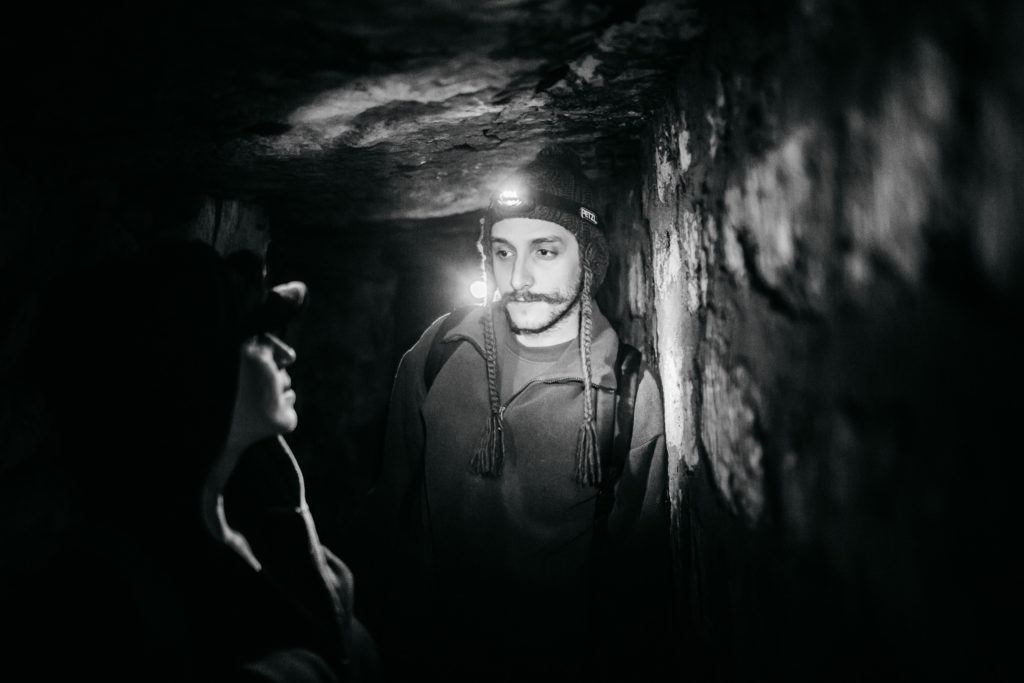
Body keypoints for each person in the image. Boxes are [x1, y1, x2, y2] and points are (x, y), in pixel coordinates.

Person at [0, 240, 378, 682]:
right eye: (257, 336)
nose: (286, 352)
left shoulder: (257, 514)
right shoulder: (113, 590)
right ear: (202, 367)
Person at [360, 145, 671, 682]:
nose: (518, 277)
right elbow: (389, 511)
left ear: (588, 260)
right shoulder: (440, 350)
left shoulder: (627, 393)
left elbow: (637, 582)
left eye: (544, 251)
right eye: (502, 252)